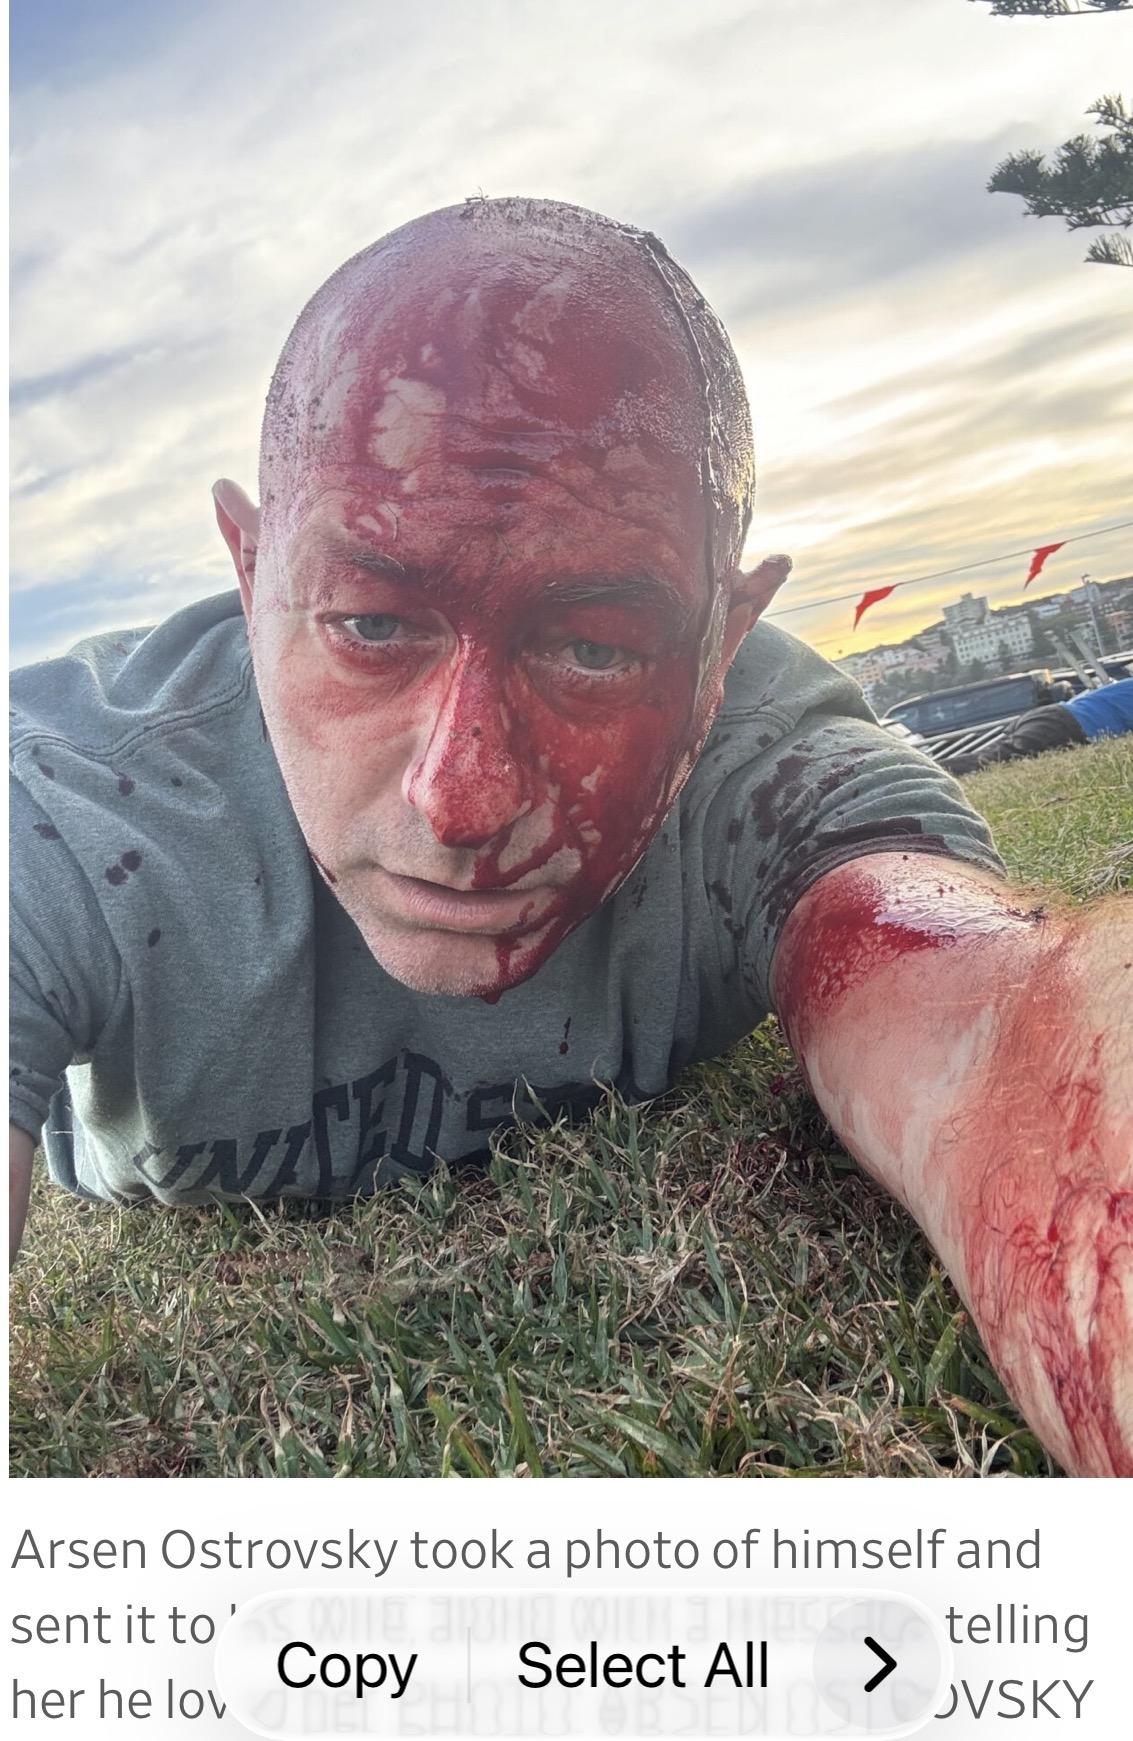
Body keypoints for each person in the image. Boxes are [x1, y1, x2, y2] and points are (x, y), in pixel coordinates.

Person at [10, 198, 1131, 1477]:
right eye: (370, 626)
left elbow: (998, 1038)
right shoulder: (68, 803)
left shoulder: (772, 779)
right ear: (253, 571)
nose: (461, 799)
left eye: (593, 649)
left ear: (718, 645)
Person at [948, 676, 1133, 774]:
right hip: (1066, 723)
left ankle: (938, 771)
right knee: (988, 762)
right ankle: (935, 775)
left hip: (1054, 716)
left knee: (988, 759)